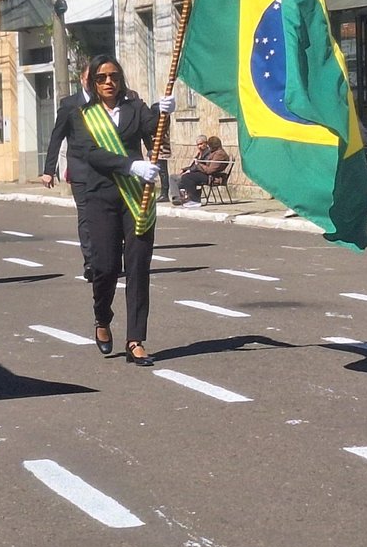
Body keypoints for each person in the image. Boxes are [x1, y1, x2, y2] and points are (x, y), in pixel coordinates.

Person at [68, 54, 175, 365]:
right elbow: (91, 153)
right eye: (101, 78)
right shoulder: (82, 115)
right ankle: (102, 317)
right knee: (105, 267)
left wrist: (163, 112)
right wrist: (131, 165)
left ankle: (135, 340)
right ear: (92, 82)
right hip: (101, 197)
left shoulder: (134, 108)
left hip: (136, 198)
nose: (108, 82)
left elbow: (154, 135)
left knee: (139, 267)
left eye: (113, 76)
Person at [40, 64, 94, 281]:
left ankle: (108, 257)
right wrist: (48, 170)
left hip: (107, 171)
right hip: (80, 170)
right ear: (81, 79)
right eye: (89, 77)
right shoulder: (70, 105)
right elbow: (57, 136)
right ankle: (90, 262)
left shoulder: (108, 103)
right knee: (86, 216)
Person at [175, 136, 231, 207]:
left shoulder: (219, 154)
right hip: (207, 174)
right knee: (186, 176)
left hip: (213, 177)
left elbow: (210, 170)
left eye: (210, 145)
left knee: (188, 177)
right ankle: (186, 198)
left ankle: (194, 200)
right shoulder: (214, 152)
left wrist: (199, 165)